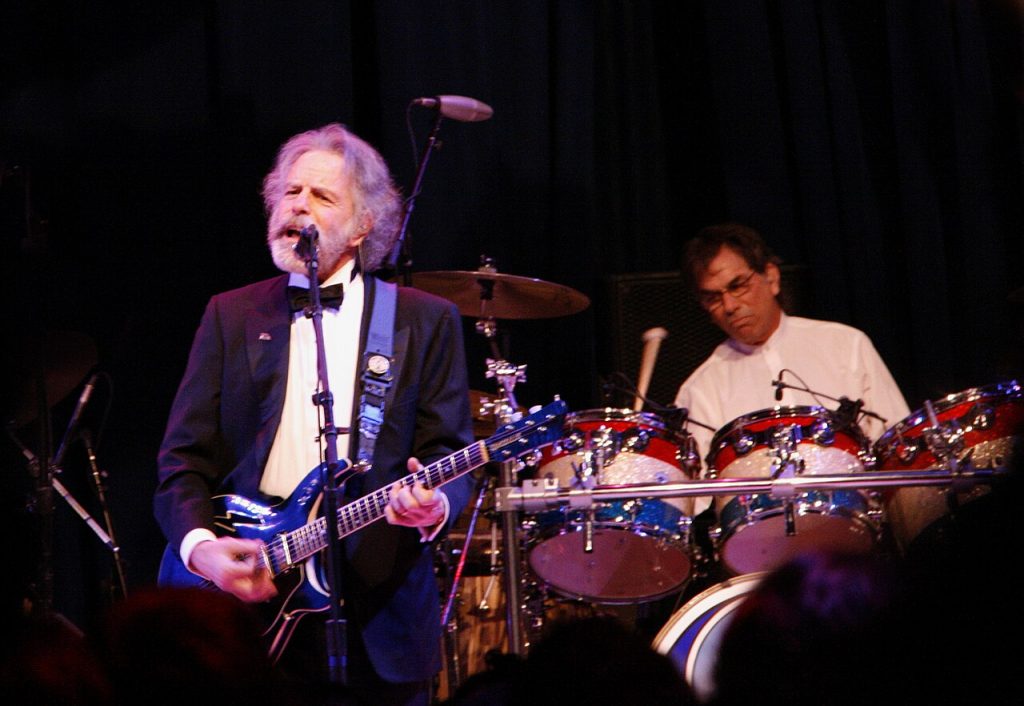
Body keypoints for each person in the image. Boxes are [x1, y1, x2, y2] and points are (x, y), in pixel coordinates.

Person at [154, 123, 474, 705]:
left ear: (363, 225)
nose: (297, 205)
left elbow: (449, 456)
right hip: (248, 607)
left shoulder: (423, 320)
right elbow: (182, 460)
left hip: (381, 612)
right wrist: (201, 548)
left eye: (322, 196)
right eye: (289, 191)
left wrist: (434, 505)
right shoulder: (231, 314)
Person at [673, 223, 910, 553]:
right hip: (761, 555)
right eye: (713, 298)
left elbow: (898, 449)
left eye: (737, 286)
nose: (728, 306)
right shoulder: (700, 388)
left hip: (862, 545)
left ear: (771, 277)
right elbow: (697, 505)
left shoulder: (845, 344)